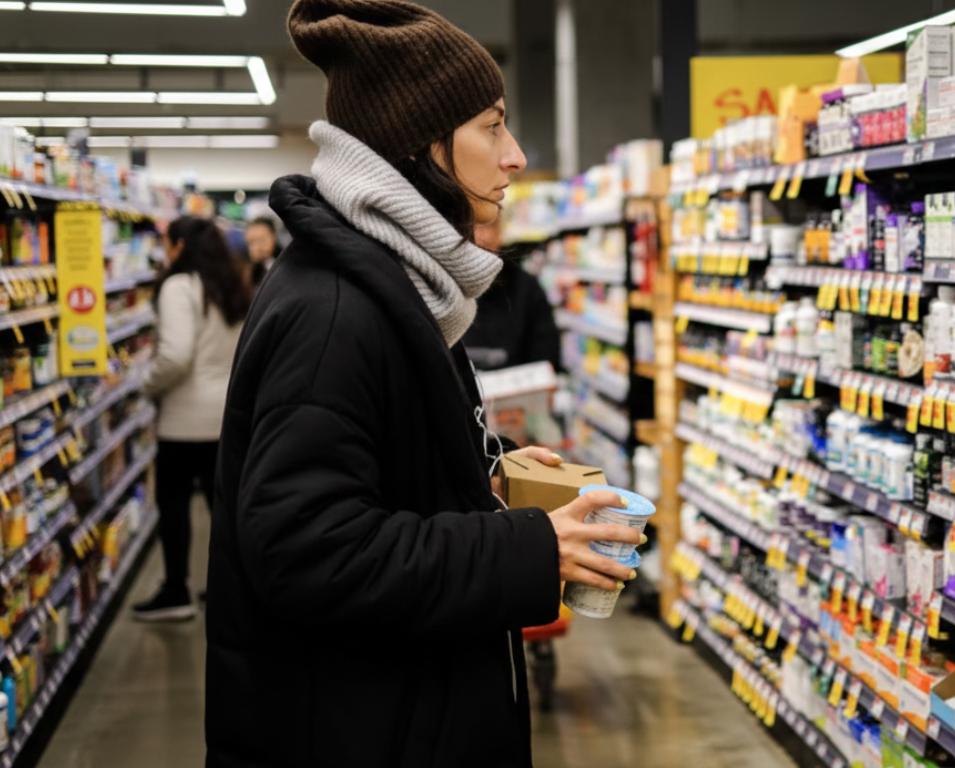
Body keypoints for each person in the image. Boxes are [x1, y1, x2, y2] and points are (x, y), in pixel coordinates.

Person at [206, 2, 641, 767]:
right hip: (359, 732)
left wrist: (486, 472)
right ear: (419, 146)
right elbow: (306, 551)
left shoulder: (399, 286)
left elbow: (379, 468)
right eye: (492, 126)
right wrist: (528, 550)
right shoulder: (335, 313)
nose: (515, 155)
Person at [133, 216, 250, 621]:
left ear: (180, 246)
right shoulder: (231, 285)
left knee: (175, 507)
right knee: (225, 512)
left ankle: (176, 590)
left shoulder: (179, 286)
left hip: (185, 420)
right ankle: (231, 589)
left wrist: (148, 385)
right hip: (226, 416)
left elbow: (176, 355)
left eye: (167, 243)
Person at [464, 221, 561, 371]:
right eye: (469, 225)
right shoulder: (437, 288)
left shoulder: (527, 288)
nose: (478, 235)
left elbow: (546, 357)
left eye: (485, 224)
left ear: (499, 232)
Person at [243, 217, 281, 287]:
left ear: (274, 237)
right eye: (251, 243)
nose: (257, 248)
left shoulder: (286, 265)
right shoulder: (245, 273)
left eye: (262, 241)